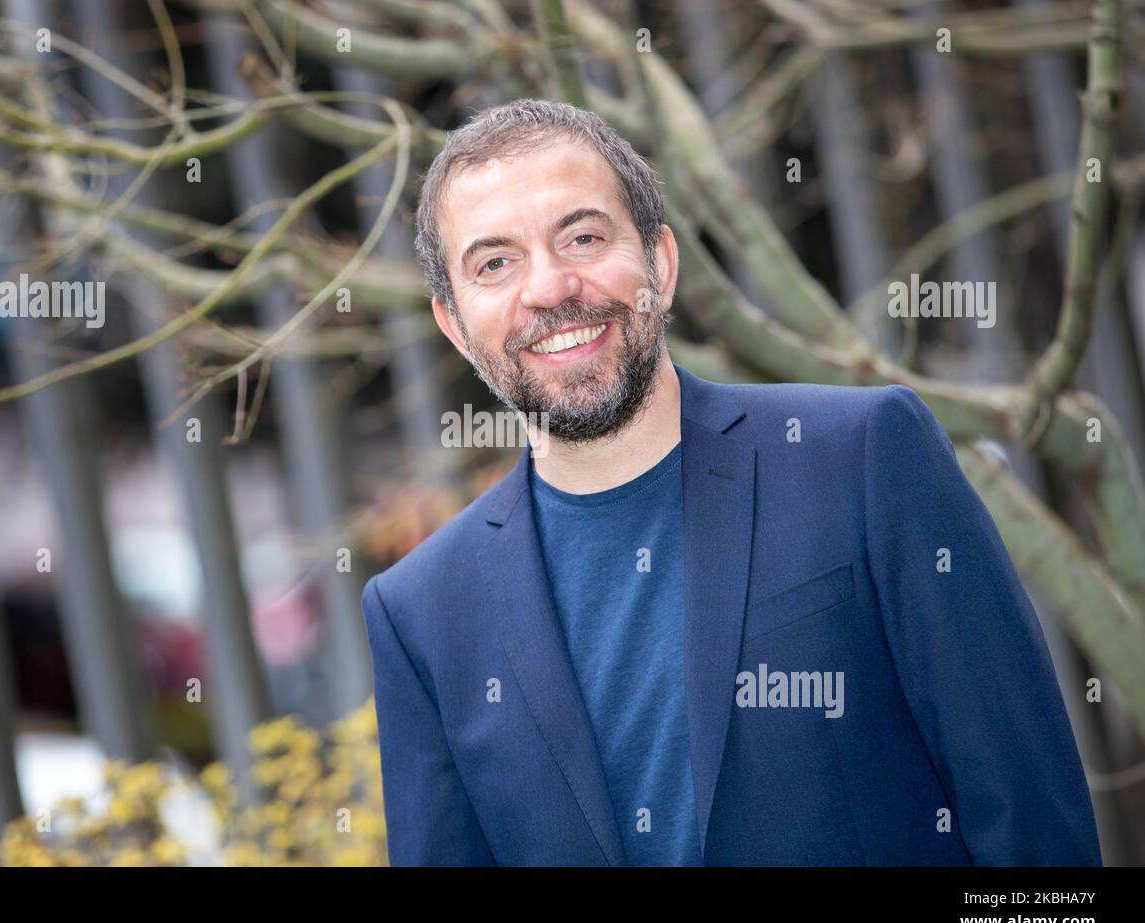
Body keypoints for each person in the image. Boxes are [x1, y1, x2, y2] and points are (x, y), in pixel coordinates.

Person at [360, 97, 1101, 866]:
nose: (548, 288)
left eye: (582, 236)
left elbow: (1034, 836)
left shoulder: (863, 459)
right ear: (453, 324)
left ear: (663, 263)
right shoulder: (420, 614)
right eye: (495, 263)